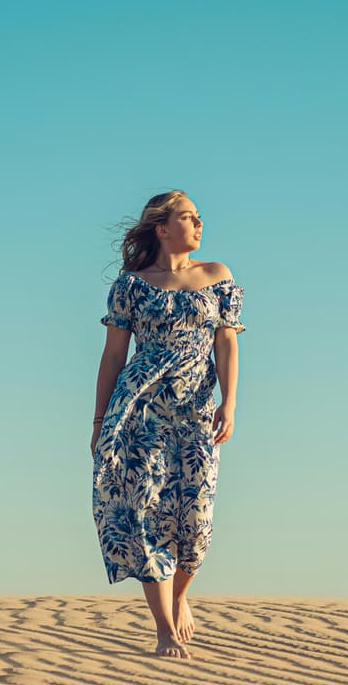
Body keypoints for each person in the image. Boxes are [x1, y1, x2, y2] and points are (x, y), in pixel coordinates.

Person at [91, 190, 244, 661]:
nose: (199, 224)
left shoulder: (217, 276)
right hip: (139, 411)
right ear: (162, 228)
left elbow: (226, 345)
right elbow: (114, 355)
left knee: (195, 521)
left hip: (197, 412)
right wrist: (100, 421)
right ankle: (164, 631)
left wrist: (230, 403)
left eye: (199, 217)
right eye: (188, 217)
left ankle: (180, 595)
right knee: (142, 513)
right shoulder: (131, 285)